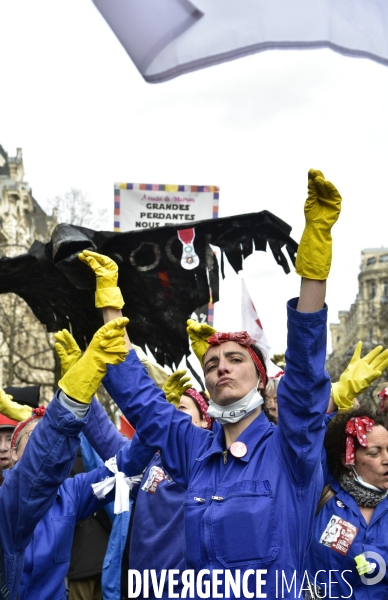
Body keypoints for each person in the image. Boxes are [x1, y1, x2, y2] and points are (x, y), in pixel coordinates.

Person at [79, 168, 341, 598]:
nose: (221, 367)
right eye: (213, 362)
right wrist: (111, 302)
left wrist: (313, 270)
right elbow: (143, 403)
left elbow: (308, 377)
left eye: (236, 359)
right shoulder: (194, 449)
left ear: (261, 377)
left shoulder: (290, 450)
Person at [0, 318, 129, 600]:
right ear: (15, 453)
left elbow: (125, 466)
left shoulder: (69, 494)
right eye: (33, 437)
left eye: (45, 435)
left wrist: (155, 426)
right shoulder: (4, 498)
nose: (43, 442)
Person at [305, 408, 388, 598]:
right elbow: (308, 436)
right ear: (347, 460)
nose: (387, 460)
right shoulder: (322, 493)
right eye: (374, 453)